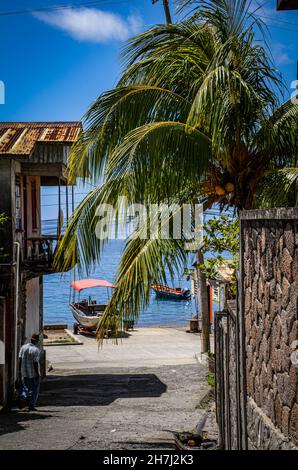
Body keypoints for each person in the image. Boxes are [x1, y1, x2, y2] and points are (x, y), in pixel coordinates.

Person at [18, 333, 41, 411]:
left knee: (26, 388)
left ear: (31, 339)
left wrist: (19, 371)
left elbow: (20, 360)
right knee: (35, 389)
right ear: (37, 341)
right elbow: (35, 363)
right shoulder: (36, 350)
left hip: (24, 372)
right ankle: (31, 405)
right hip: (33, 373)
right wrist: (37, 374)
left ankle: (22, 399)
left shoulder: (23, 347)